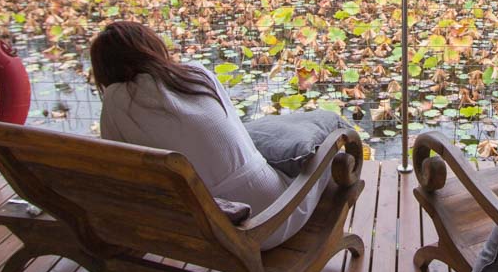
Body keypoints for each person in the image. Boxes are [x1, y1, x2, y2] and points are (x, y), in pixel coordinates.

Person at [90, 21, 324, 250]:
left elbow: (118, 170)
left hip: (196, 232)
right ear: (150, 47)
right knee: (327, 153)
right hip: (266, 220)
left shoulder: (114, 102)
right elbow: (234, 128)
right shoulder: (194, 74)